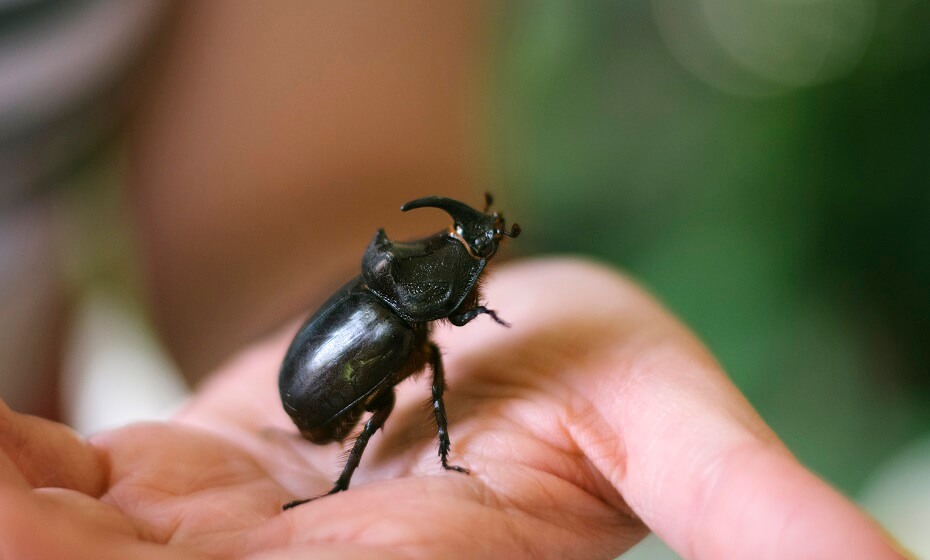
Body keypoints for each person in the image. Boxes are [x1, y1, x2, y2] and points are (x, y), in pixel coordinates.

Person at [0, 259, 907, 559]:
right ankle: (358, 476)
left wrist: (555, 319)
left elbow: (275, 222)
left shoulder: (410, 303)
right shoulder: (413, 329)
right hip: (298, 398)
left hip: (298, 377)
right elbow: (441, 333)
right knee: (404, 384)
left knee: (418, 375)